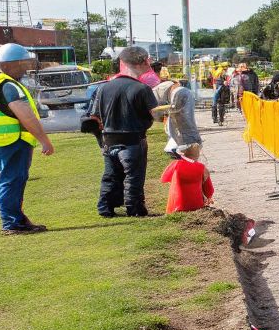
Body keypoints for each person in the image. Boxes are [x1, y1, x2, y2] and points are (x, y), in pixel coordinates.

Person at [0, 42, 54, 234]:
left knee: (14, 180)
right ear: (12, 63)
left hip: (5, 141)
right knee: (12, 180)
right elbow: (26, 115)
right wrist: (44, 141)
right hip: (13, 141)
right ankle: (12, 223)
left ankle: (18, 220)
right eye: (24, 62)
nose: (27, 66)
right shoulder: (9, 86)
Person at [90, 45, 157, 218]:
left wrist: (101, 140)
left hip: (109, 140)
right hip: (133, 140)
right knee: (134, 177)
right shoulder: (142, 89)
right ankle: (134, 209)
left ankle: (105, 208)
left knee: (110, 176)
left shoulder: (104, 88)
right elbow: (155, 115)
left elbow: (95, 116)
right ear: (144, 62)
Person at [154, 78, 201, 159]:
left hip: (179, 94)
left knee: (178, 122)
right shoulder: (163, 87)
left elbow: (157, 113)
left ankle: (180, 146)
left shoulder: (153, 92)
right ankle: (184, 145)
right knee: (181, 121)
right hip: (183, 93)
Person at [159, 142, 213, 212]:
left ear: (183, 153)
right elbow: (209, 189)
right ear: (198, 155)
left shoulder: (175, 164)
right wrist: (209, 197)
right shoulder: (202, 168)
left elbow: (164, 179)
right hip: (196, 205)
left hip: (176, 204)